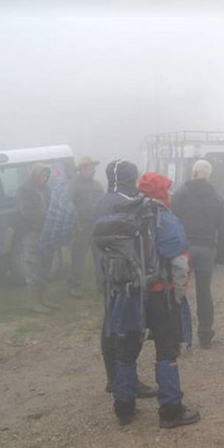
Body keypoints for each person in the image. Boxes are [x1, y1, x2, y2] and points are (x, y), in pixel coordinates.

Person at [107, 171, 200, 429]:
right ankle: (171, 410)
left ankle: (123, 407)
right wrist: (178, 296)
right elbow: (180, 260)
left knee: (126, 352)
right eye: (167, 189)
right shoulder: (163, 218)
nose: (170, 193)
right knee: (166, 350)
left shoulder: (125, 214)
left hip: (128, 293)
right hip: (161, 294)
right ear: (159, 191)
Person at [92, 160, 157, 398]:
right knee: (128, 329)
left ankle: (113, 378)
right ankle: (127, 381)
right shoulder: (127, 203)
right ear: (129, 177)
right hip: (126, 275)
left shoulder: (102, 201)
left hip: (105, 272)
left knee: (110, 325)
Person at [171, 159, 224, 348]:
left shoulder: (180, 194)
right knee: (204, 292)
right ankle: (205, 335)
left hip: (184, 249)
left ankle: (176, 336)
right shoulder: (216, 197)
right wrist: (220, 254)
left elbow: (171, 221)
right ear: (209, 175)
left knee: (178, 291)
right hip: (207, 250)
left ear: (194, 172)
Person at [14, 162, 55, 313]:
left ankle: (44, 299)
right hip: (31, 232)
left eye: (46, 174)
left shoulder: (47, 190)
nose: (45, 177)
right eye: (42, 174)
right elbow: (26, 211)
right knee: (33, 264)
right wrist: (46, 219)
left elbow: (52, 206)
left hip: (46, 231)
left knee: (45, 263)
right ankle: (34, 302)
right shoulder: (24, 190)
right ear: (35, 174)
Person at [66, 156, 105, 298]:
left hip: (96, 226)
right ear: (81, 169)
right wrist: (75, 223)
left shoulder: (97, 185)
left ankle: (102, 285)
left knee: (99, 257)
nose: (91, 169)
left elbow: (103, 202)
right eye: (87, 167)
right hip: (80, 227)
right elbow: (67, 206)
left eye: (92, 166)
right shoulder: (73, 185)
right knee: (78, 258)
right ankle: (74, 286)